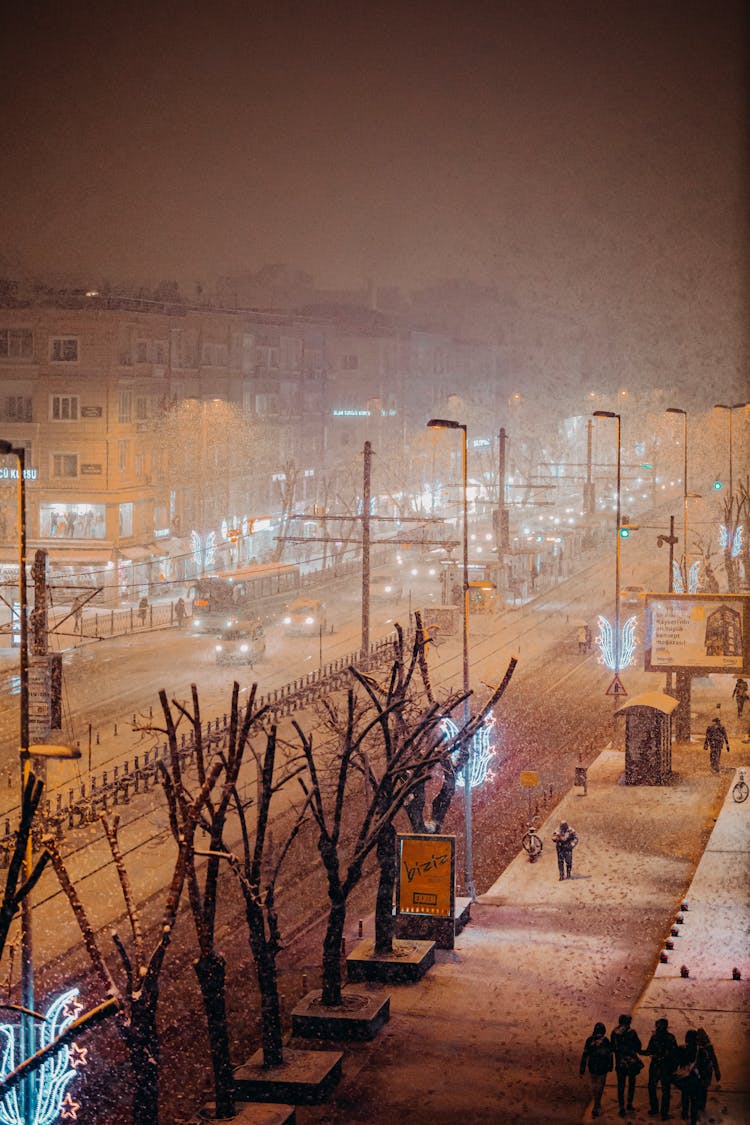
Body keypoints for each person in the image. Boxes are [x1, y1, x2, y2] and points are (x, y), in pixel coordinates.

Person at [642, 1016, 678, 1120]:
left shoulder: (655, 1037)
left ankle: (654, 1108)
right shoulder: (670, 1037)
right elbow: (675, 1053)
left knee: (652, 1087)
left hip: (655, 1066)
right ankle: (664, 1113)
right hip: (666, 1067)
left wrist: (640, 1051)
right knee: (665, 1090)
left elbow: (649, 1051)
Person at [673, 1029, 711, 1125]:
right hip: (695, 1078)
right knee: (694, 1099)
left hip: (685, 1077)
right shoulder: (701, 1051)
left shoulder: (681, 1049)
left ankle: (685, 1113)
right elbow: (705, 1065)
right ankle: (693, 1120)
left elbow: (675, 1062)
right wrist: (705, 1078)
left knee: (685, 1095)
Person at [610, 1013, 643, 1116]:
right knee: (631, 1083)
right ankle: (629, 1103)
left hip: (620, 1062)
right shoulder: (632, 1033)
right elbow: (638, 1046)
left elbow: (613, 1048)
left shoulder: (614, 1033)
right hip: (631, 1061)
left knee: (621, 1085)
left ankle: (621, 1107)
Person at [579, 1021, 613, 1118]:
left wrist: (582, 1068)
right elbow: (609, 1055)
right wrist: (611, 1065)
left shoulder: (589, 1040)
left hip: (593, 1064)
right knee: (601, 1084)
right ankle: (597, 1103)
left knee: (594, 1083)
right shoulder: (606, 1040)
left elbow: (585, 1054)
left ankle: (596, 1102)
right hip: (603, 1066)